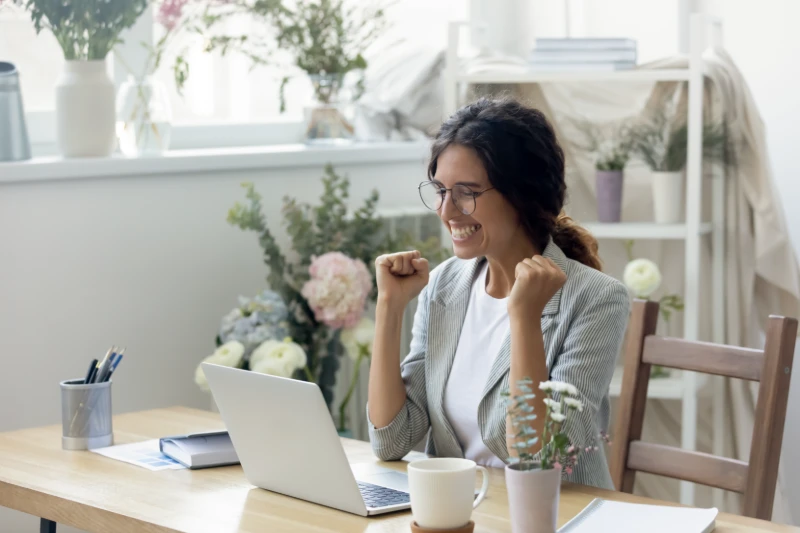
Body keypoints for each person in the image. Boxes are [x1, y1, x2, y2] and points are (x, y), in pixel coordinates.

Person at [366, 97, 630, 489]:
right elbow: (391, 440)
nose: (446, 211)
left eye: (467, 192)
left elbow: (539, 458)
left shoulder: (595, 299)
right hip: (460, 515)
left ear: (522, 195)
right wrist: (389, 308)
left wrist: (523, 319)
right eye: (440, 190)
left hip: (556, 517)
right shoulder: (444, 285)